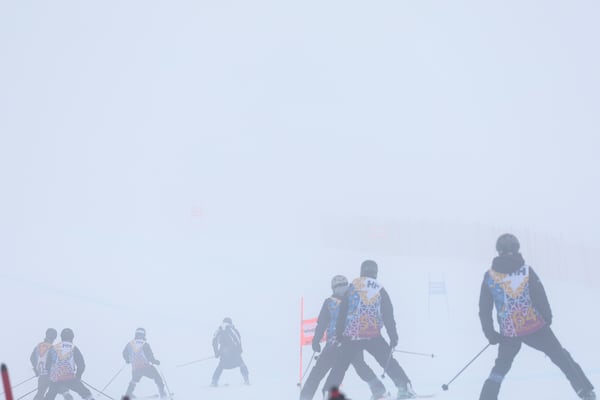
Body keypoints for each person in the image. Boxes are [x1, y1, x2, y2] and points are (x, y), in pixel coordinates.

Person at [479, 233, 596, 400]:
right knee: (561, 357)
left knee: (501, 367)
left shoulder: (489, 276)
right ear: (517, 249)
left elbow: (484, 309)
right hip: (534, 326)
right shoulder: (526, 271)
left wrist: (490, 334)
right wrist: (547, 318)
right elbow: (539, 295)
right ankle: (585, 391)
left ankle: (487, 398)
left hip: (509, 331)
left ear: (499, 251)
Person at [326, 260, 417, 399]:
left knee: (340, 365)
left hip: (351, 335)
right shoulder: (380, 289)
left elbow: (342, 313)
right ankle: (404, 387)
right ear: (375, 272)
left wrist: (339, 335)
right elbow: (387, 314)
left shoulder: (352, 287)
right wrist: (393, 335)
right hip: (372, 334)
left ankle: (330, 393)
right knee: (387, 361)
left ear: (362, 271)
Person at [300, 275, 387, 400]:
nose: (341, 288)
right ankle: (378, 388)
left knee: (320, 371)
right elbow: (322, 323)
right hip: (345, 343)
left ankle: (307, 396)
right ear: (334, 288)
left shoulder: (340, 302)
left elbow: (322, 324)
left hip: (341, 343)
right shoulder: (342, 302)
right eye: (339, 286)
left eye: (344, 285)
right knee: (359, 366)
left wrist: (316, 341)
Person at [44, 328, 95, 400]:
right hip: (70, 377)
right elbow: (81, 365)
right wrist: (78, 376)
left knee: (50, 395)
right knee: (85, 393)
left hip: (56, 378)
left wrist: (51, 376)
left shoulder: (53, 348)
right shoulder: (74, 348)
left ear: (61, 337)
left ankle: (65, 392)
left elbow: (47, 365)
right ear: (72, 337)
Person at [123, 328, 166, 399]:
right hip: (145, 367)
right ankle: (162, 393)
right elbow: (149, 355)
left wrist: (127, 360)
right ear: (143, 335)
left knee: (134, 380)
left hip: (135, 368)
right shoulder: (144, 344)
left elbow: (124, 353)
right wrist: (155, 361)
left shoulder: (130, 344)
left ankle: (128, 395)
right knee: (157, 377)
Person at [30, 329, 73, 400]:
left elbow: (32, 359)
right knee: (58, 387)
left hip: (42, 374)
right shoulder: (53, 348)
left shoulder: (38, 347)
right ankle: (65, 392)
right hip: (52, 374)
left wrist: (36, 369)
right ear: (54, 337)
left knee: (40, 392)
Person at [211, 318, 249, 386]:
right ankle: (246, 380)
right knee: (241, 364)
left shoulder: (219, 330)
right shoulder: (232, 329)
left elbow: (214, 341)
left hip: (223, 353)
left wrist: (216, 353)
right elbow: (237, 339)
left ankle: (214, 381)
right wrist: (239, 350)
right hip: (234, 352)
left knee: (220, 366)